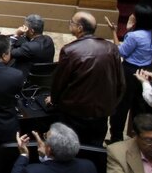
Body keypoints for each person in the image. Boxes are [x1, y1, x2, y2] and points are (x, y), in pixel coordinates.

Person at [49, 11, 124, 146]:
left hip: (74, 114)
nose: (69, 24)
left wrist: (54, 100)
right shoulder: (111, 48)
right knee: (94, 149)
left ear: (80, 28)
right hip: (101, 114)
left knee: (70, 148)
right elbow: (120, 83)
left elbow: (59, 82)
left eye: (72, 22)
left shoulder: (70, 51)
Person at [108, 5, 152, 144]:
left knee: (121, 106)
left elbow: (121, 52)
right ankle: (137, 136)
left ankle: (116, 138)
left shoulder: (134, 36)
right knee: (139, 105)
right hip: (146, 70)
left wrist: (115, 32)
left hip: (129, 71)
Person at [13, 123, 96, 173]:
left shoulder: (33, 170)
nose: (44, 138)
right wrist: (44, 156)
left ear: (48, 150)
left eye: (45, 136)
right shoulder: (89, 166)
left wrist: (24, 154)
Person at [10, 14, 55, 78]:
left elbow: (10, 51)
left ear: (31, 31)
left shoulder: (29, 47)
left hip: (28, 77)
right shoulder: (49, 39)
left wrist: (15, 35)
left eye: (25, 27)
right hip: (44, 74)